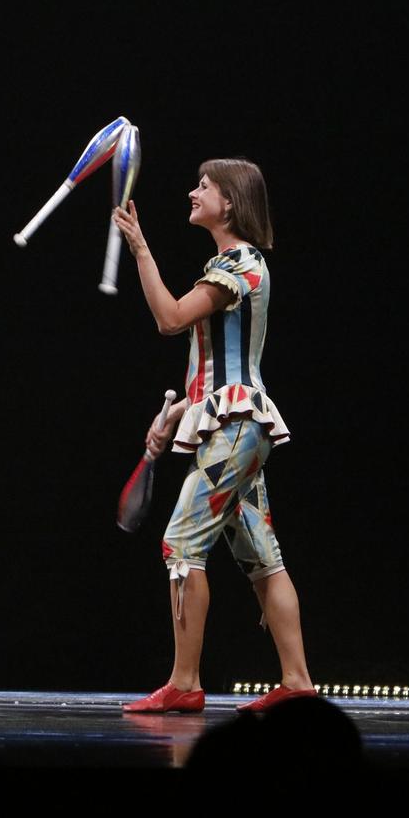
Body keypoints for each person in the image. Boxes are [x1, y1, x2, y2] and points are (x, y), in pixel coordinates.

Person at [112, 159, 317, 714]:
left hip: (236, 429)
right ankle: (297, 682)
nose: (192, 192)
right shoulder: (230, 266)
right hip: (232, 424)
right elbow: (212, 368)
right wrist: (176, 414)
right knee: (262, 557)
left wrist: (141, 250)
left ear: (229, 203)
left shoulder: (240, 266)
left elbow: (171, 319)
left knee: (181, 545)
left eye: (204, 186)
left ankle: (184, 682)